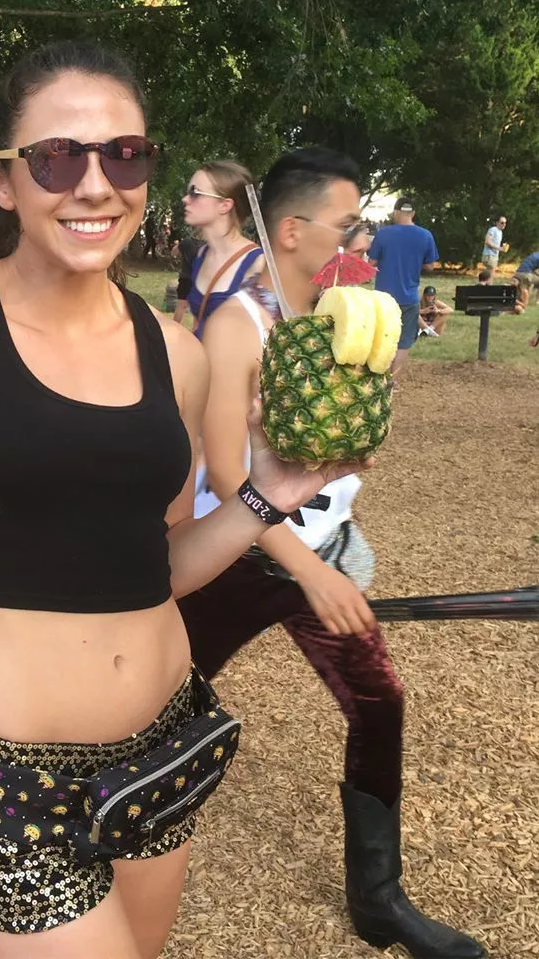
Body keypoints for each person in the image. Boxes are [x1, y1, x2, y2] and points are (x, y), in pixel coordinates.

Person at [0, 43, 369, 959]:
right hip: (8, 777)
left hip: (164, 743)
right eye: (60, 157)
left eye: (125, 156)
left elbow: (161, 568)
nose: (95, 185)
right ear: (6, 180)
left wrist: (270, 494)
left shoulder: (176, 353)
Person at [178, 146, 484, 959]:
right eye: (349, 224)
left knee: (380, 704)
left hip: (325, 548)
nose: (364, 237)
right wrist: (308, 570)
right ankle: (85, 821)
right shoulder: (236, 327)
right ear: (291, 229)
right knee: (156, 695)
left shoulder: (343, 313)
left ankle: (379, 900)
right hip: (241, 561)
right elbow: (227, 473)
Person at [181, 161, 263, 339]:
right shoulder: (201, 255)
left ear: (225, 205)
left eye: (195, 193)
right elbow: (199, 322)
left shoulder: (257, 264)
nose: (185, 199)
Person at [368, 197, 440, 376]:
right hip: (409, 297)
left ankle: (377, 378)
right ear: (413, 213)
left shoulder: (383, 234)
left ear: (396, 212)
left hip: (383, 297)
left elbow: (372, 261)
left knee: (380, 338)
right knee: (404, 342)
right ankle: (394, 383)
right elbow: (431, 265)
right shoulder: (425, 235)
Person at [171, 234, 202, 326]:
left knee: (181, 305)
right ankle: (195, 334)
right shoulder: (209, 244)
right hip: (201, 279)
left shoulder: (186, 242)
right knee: (198, 308)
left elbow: (174, 253)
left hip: (186, 278)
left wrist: (178, 245)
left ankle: (175, 327)